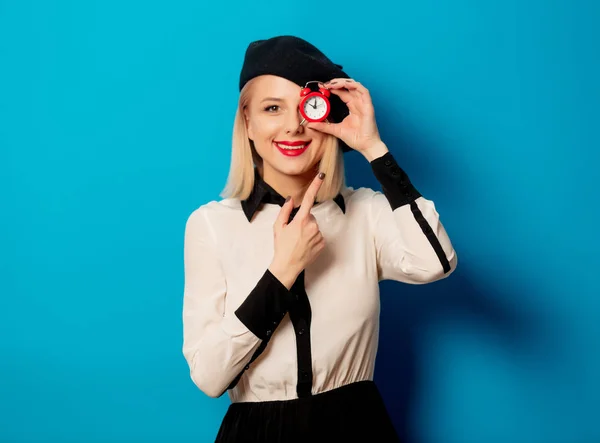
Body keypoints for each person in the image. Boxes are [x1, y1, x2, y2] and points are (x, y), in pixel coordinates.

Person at [182, 35, 458, 443]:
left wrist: (372, 147)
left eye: (305, 108)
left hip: (356, 427)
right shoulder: (211, 224)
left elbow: (436, 262)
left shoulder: (365, 212)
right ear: (247, 122)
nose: (293, 125)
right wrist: (282, 271)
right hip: (258, 434)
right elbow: (209, 377)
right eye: (272, 108)